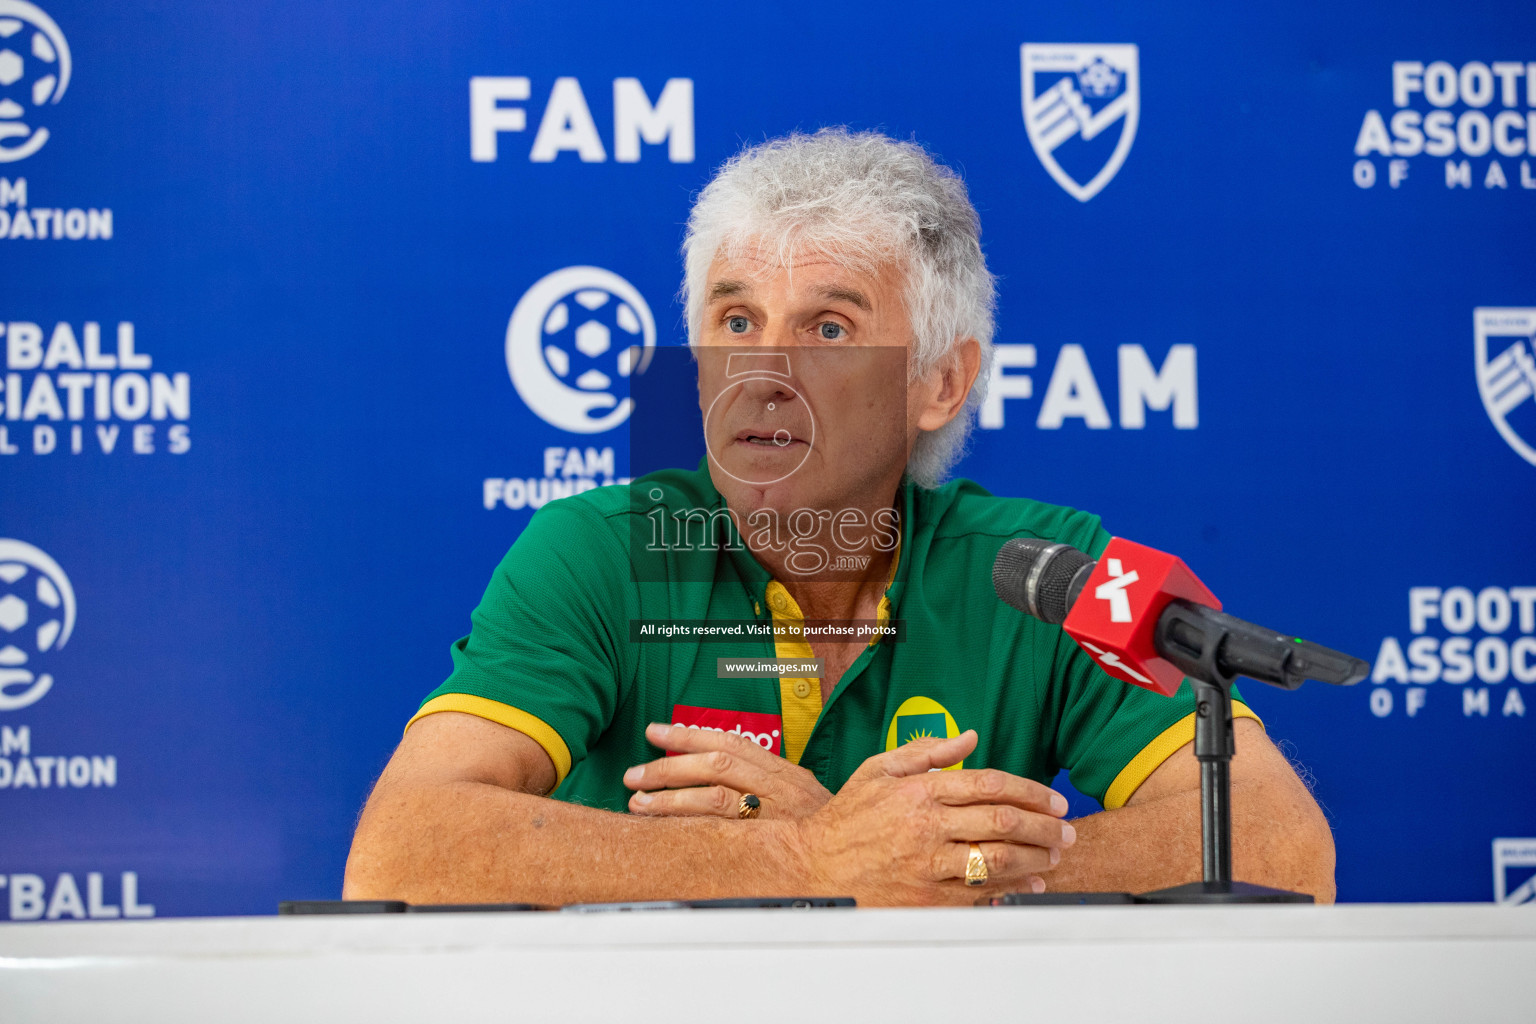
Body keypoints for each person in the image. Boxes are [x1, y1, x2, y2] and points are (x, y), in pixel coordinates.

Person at [344, 129, 1335, 906]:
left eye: (829, 328)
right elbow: (400, 848)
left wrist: (941, 870)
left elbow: (1282, 844)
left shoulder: (1056, 565)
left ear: (942, 383)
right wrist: (805, 855)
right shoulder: (596, 549)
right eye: (735, 323)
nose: (761, 373)